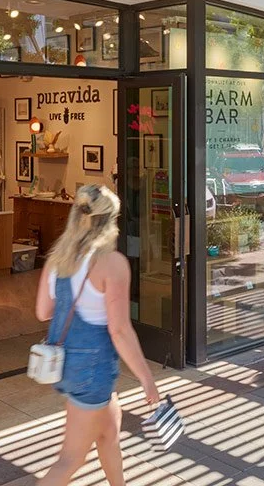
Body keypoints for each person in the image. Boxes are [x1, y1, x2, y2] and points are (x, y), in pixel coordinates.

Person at [34, 185, 160, 486]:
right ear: (111, 221)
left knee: (109, 432)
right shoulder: (112, 263)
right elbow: (119, 330)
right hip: (92, 370)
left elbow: (43, 311)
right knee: (71, 458)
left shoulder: (57, 259)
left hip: (67, 364)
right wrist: (146, 378)